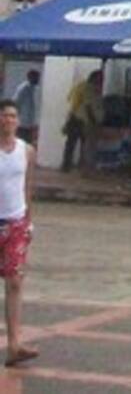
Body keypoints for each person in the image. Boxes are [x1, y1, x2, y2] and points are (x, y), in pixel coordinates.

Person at [0, 98, 37, 368]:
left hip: (16, 223)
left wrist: (29, 222)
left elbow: (28, 187)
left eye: (13, 116)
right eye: (4, 116)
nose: (8, 120)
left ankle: (14, 344)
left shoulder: (27, 151)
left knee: (14, 282)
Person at [61, 70, 101, 173]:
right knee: (84, 145)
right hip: (82, 120)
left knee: (71, 143)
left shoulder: (80, 85)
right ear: (94, 78)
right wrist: (93, 120)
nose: (101, 81)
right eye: (100, 78)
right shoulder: (89, 88)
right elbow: (88, 105)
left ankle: (66, 166)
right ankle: (81, 167)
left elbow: (71, 100)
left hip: (74, 117)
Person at [12, 73, 38, 148]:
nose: (37, 79)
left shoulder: (34, 88)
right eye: (36, 77)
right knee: (20, 143)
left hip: (29, 124)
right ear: (30, 77)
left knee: (27, 145)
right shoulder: (23, 88)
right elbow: (15, 102)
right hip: (22, 123)